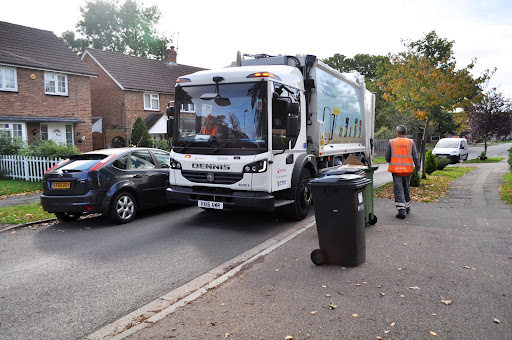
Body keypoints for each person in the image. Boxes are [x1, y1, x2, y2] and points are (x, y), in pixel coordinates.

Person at [385, 125, 420, 219]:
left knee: (398, 189)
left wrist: (392, 161)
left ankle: (401, 210)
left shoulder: (392, 142)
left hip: (396, 170)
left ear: (397, 132)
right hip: (407, 170)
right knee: (406, 187)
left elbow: (387, 157)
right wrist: (417, 168)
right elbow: (416, 157)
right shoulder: (410, 142)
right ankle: (407, 207)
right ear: (405, 132)